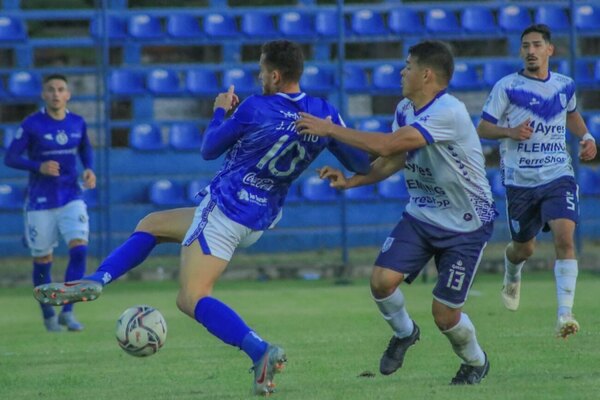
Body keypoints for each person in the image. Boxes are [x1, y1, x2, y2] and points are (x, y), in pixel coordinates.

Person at [33, 40, 370, 396]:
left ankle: (260, 351)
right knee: (152, 224)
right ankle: (97, 279)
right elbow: (362, 164)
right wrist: (332, 134)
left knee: (190, 297)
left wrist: (220, 111)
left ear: (274, 74)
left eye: (260, 70)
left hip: (226, 210)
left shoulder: (256, 107)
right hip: (260, 218)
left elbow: (209, 148)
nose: (258, 77)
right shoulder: (323, 112)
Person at [296, 40, 497, 385]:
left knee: (445, 316)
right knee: (380, 281)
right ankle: (405, 333)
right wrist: (350, 182)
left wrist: (329, 128)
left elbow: (389, 145)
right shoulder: (405, 108)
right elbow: (394, 158)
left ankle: (475, 362)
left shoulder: (448, 111)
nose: (401, 72)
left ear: (426, 74)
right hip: (421, 215)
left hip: (466, 224)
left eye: (407, 66)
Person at [477, 24, 597, 338]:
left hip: (557, 174)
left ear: (549, 50)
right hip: (520, 180)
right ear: (521, 51)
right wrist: (510, 132)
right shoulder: (507, 87)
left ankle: (564, 314)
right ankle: (512, 270)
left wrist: (584, 135)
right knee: (524, 248)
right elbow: (483, 128)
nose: (530, 51)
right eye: (525, 46)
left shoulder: (565, 85)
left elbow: (570, 113)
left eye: (536, 45)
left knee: (565, 238)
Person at [4, 74, 96, 332]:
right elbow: (10, 157)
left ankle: (68, 311)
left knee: (79, 248)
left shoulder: (77, 122)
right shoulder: (32, 124)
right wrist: (38, 166)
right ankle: (48, 315)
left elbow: (86, 148)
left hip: (71, 196)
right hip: (40, 201)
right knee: (43, 259)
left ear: (68, 95)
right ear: (44, 95)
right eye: (51, 90)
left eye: (61, 89)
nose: (56, 94)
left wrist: (89, 169)